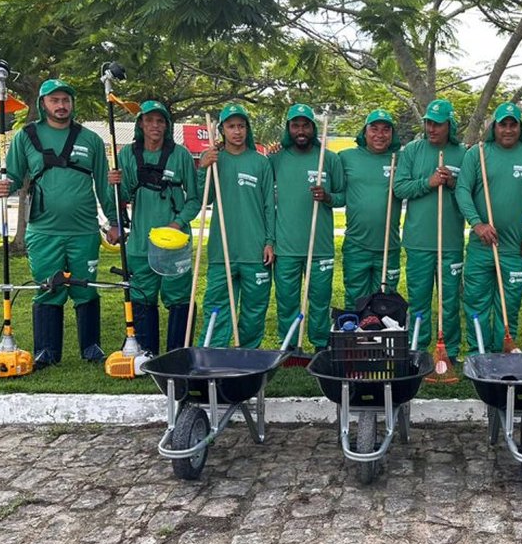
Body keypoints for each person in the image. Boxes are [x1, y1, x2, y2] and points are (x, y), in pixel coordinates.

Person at [0, 79, 117, 367]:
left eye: (66, 100)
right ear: (43, 104)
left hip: (84, 230)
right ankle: (47, 350)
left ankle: (91, 347)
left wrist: (113, 222)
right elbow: (11, 176)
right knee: (48, 287)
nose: (61, 105)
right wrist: (0, 187)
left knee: (86, 288)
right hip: (43, 230)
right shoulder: (26, 137)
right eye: (55, 100)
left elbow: (103, 183)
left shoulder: (91, 140)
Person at [107, 100, 203, 354]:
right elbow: (123, 195)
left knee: (179, 298)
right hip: (140, 242)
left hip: (175, 242)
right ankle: (146, 352)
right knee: (142, 296)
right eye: (149, 120)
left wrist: (177, 224)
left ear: (167, 125)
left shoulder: (180, 154)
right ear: (140, 124)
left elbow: (194, 199)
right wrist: (114, 183)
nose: (155, 126)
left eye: (160, 121)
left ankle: (177, 353)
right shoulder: (127, 154)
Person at [455, 102, 522, 353]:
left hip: (515, 247)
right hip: (481, 245)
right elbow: (462, 190)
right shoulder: (478, 153)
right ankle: (478, 354)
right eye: (502, 124)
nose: (507, 130)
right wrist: (477, 224)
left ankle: (504, 352)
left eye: (512, 124)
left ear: (520, 127)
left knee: (509, 304)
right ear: (493, 127)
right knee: (476, 303)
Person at [195, 103, 275, 348]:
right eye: (231, 126)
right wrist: (202, 168)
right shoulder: (215, 160)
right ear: (222, 130)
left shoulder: (261, 163)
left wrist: (270, 241)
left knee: (254, 309)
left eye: (241, 126)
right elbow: (203, 198)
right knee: (217, 306)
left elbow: (269, 206)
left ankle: (248, 355)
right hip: (223, 250)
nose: (237, 131)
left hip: (255, 249)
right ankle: (212, 353)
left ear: (247, 129)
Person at [393, 99, 466, 358]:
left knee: (449, 302)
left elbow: (472, 192)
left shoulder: (463, 153)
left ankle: (450, 350)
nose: (432, 129)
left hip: (450, 242)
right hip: (418, 241)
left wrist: (454, 182)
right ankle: (418, 347)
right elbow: (399, 187)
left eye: (438, 124)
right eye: (428, 123)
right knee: (419, 299)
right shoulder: (412, 150)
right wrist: (429, 182)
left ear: (450, 125)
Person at [270, 103, 345, 350]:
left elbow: (344, 195)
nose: (300, 130)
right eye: (295, 125)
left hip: (320, 245)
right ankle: (290, 345)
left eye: (305, 125)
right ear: (288, 128)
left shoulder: (329, 159)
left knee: (320, 299)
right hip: (286, 245)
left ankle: (321, 343)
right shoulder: (275, 160)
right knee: (287, 299)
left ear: (313, 128)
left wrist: (328, 197)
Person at [340, 109, 402, 308]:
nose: (380, 134)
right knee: (355, 300)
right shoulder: (345, 157)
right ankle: (354, 338)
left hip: (388, 246)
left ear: (392, 134)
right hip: (356, 245)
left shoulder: (400, 159)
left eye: (385, 130)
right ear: (364, 132)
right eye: (374, 129)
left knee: (386, 302)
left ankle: (383, 339)